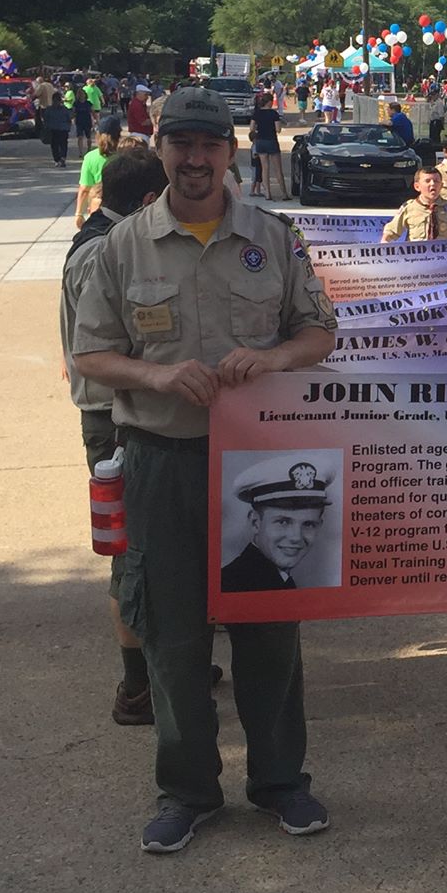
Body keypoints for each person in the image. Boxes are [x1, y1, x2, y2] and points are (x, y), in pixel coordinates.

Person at [69, 85, 340, 854]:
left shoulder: (272, 237)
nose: (194, 159)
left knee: (270, 635)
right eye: (179, 145)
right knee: (173, 637)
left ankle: (282, 781)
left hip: (263, 462)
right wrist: (156, 376)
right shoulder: (119, 248)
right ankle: (187, 790)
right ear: (159, 151)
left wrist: (276, 356)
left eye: (208, 146)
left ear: (230, 152)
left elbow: (319, 331)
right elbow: (88, 353)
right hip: (165, 462)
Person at [63, 145, 168, 723]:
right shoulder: (107, 251)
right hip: (115, 417)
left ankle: (162, 659)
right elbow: (106, 346)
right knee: (130, 552)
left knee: (157, 547)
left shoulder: (100, 239)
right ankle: (137, 688)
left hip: (121, 411)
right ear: (149, 200)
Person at [221, 458, 335, 592]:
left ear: (319, 525)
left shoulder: (277, 580)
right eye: (283, 522)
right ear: (255, 522)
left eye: (308, 524)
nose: (296, 537)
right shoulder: (231, 584)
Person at [382, 166, 447, 241]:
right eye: (427, 181)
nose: (432, 184)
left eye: (436, 181)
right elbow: (392, 231)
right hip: (417, 258)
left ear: (441, 186)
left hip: (442, 257)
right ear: (417, 186)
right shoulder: (409, 208)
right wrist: (384, 243)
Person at [74, 127, 116, 228]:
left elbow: (84, 188)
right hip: (118, 204)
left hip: (97, 202)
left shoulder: (90, 157)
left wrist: (79, 213)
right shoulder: (123, 154)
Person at [248, 91, 284, 200]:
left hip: (260, 141)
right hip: (271, 140)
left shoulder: (257, 113)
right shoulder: (274, 114)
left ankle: (268, 193)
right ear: (269, 102)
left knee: (265, 168)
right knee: (278, 168)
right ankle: (284, 193)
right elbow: (278, 129)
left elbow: (251, 128)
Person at [45, 85, 71, 166]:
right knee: (61, 144)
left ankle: (59, 159)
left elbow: (46, 119)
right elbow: (69, 118)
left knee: (56, 145)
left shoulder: (49, 109)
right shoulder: (64, 109)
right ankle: (61, 158)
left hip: (56, 129)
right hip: (60, 129)